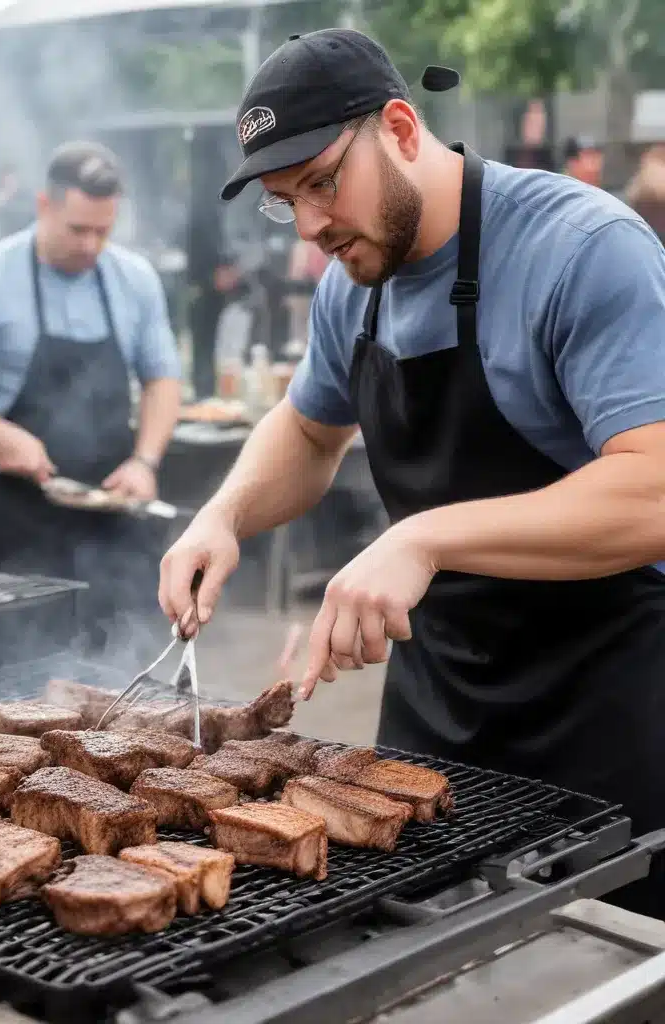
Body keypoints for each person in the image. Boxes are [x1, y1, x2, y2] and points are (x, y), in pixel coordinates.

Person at [159, 29, 665, 919]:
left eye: (322, 181)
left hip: (607, 696)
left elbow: (655, 487)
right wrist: (223, 515)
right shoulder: (350, 281)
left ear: (399, 127)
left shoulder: (583, 249)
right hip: (440, 698)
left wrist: (424, 535)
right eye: (287, 201)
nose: (313, 226)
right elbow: (309, 433)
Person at [0, 141, 182, 653]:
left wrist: (145, 460)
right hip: (20, 515)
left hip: (114, 509)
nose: (90, 245)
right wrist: (0, 433)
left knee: (128, 663)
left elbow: (161, 379)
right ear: (45, 205)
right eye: (78, 230)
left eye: (103, 232)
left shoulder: (135, 280)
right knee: (19, 664)